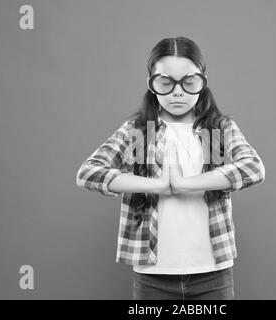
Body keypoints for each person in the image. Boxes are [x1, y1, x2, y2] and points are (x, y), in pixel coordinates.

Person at [76, 36, 265, 300]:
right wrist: (158, 186)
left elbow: (253, 168)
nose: (178, 92)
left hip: (213, 272)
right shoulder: (137, 131)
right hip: (152, 274)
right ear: (151, 85)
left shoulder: (219, 128)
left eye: (188, 82)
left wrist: (187, 183)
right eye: (166, 82)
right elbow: (89, 172)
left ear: (202, 82)